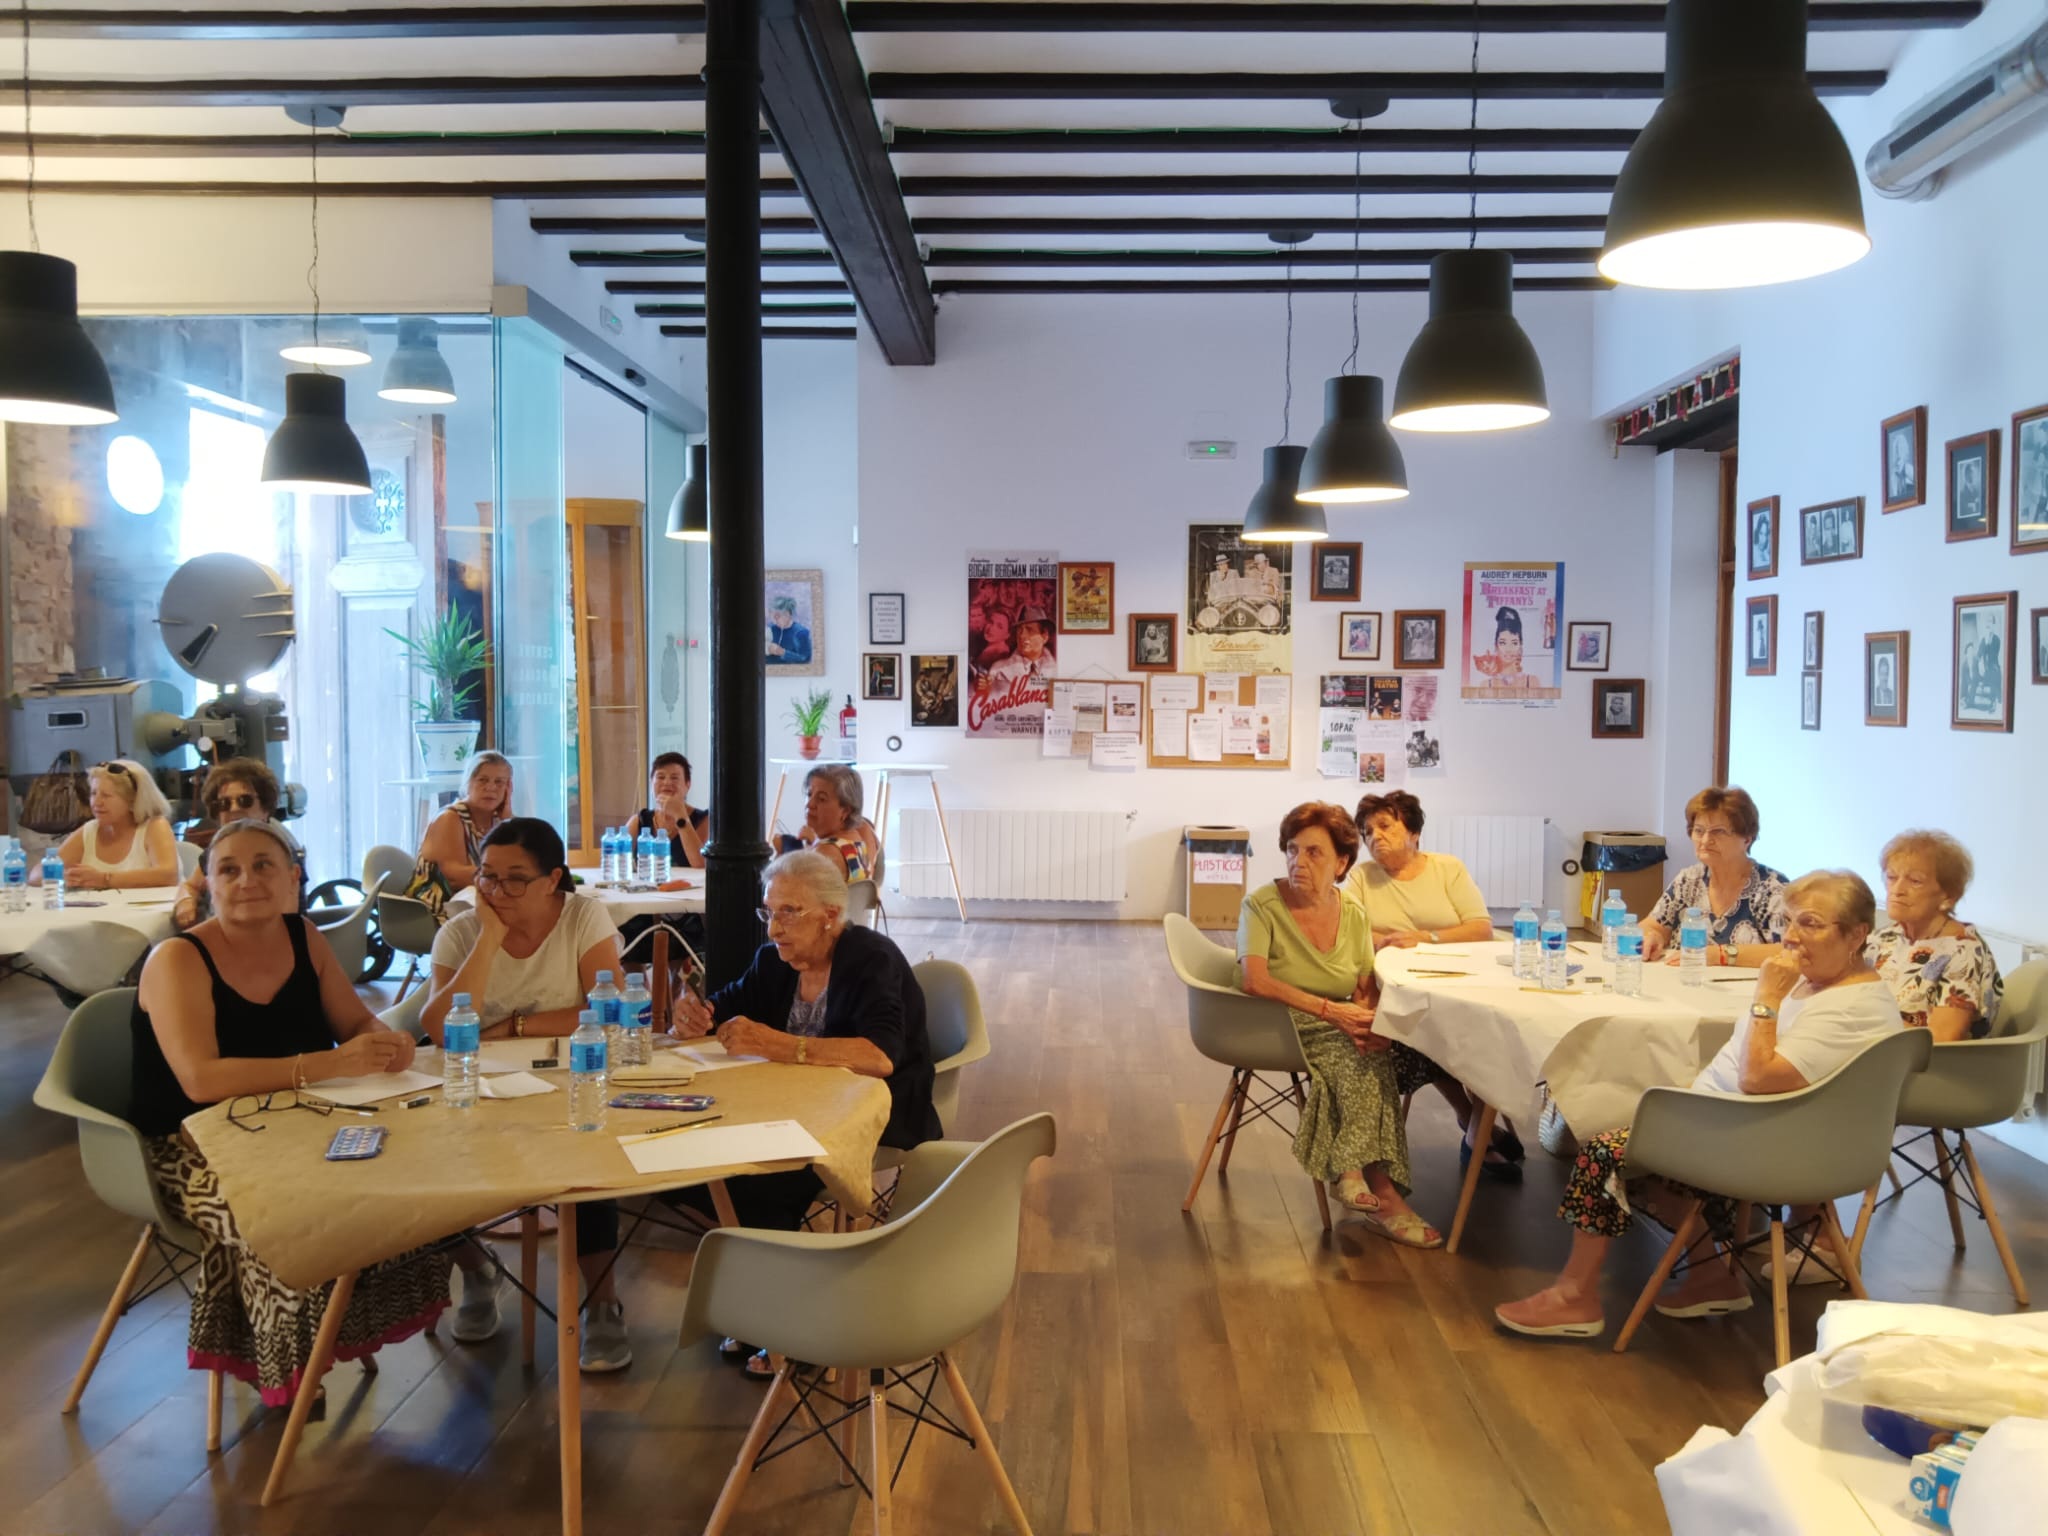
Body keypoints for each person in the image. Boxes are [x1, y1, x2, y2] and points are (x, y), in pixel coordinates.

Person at [1495, 871, 1900, 1339]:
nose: (1791, 937)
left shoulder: (1851, 1008)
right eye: (1788, 922)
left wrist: (1766, 998)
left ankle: (1575, 1296)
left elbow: (1757, 1078)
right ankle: (1710, 1277)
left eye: (1810, 923)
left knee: (1605, 1151)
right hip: (1744, 1123)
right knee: (1633, 1126)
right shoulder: (1822, 984)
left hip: (1769, 1144)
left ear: (1857, 934)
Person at [130, 820, 448, 1405]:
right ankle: (286, 1364)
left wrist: (382, 1041)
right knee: (278, 1214)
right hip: (187, 1146)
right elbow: (200, 1080)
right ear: (207, 882)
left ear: (293, 877)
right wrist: (327, 1065)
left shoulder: (303, 935)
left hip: (293, 1124)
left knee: (412, 1164)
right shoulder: (178, 958)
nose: (246, 880)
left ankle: (357, 1321)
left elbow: (353, 1022)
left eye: (263, 866)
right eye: (229, 869)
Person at [670, 849, 941, 1373]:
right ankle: (767, 1309)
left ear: (831, 916)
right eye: (769, 912)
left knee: (765, 1178)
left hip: (873, 1111)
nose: (775, 928)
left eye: (790, 913)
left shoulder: (870, 959)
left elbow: (880, 1055)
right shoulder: (775, 960)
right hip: (790, 1111)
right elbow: (724, 1006)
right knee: (704, 1168)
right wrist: (694, 1015)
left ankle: (797, 1325)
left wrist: (780, 1045)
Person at [422, 817, 631, 1371]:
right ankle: (477, 1269)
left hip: (570, 1076)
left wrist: (510, 1027)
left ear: (552, 879)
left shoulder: (582, 917)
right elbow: (440, 1027)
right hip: (480, 1085)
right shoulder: (461, 931)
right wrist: (489, 938)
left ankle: (602, 1302)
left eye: (515, 878)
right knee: (423, 1162)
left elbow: (606, 1008)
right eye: (487, 876)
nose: (497, 890)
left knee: (588, 1160)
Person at [1237, 802, 1440, 1247]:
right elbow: (1255, 980)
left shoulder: (1353, 913)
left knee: (1380, 1051)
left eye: (1313, 853)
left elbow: (1364, 984)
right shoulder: (1261, 905)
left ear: (1342, 863)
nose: (1298, 861)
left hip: (1335, 1021)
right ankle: (1376, 1190)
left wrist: (1369, 1022)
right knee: (1356, 1057)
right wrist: (1333, 1013)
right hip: (1276, 1022)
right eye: (1292, 850)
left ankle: (1359, 1179)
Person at [1345, 792, 1519, 1180]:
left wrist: (1425, 938)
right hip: (1397, 987)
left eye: (1385, 826)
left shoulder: (1447, 869)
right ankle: (1474, 1126)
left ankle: (1477, 1128)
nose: (1374, 837)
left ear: (1414, 832)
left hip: (1460, 978)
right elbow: (1348, 930)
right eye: (1367, 831)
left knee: (1484, 1035)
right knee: (1419, 1031)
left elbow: (1480, 928)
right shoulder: (1361, 877)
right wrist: (1386, 940)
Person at [1867, 830, 2002, 1042]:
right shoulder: (1884, 937)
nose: (1897, 889)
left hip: (1923, 1060)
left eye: (1915, 881)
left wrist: (1862, 1021)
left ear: (1948, 896)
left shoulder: (1963, 951)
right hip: (1871, 1048)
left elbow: (1943, 1038)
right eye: (1892, 877)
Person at [1642, 787, 1789, 968]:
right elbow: (1652, 925)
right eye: (1699, 831)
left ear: (1747, 839)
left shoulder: (1773, 889)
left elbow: (1789, 952)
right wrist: (1653, 936)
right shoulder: (1689, 880)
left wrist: (1720, 955)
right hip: (1685, 982)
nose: (1705, 840)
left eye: (1718, 832)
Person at [173, 758, 305, 931]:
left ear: (265, 808)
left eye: (245, 800)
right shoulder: (219, 849)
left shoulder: (281, 851)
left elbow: (280, 925)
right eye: (224, 803)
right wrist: (185, 902)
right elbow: (191, 886)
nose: (234, 809)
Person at [35, 758, 179, 890]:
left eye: (106, 796)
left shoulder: (155, 826)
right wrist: (67, 877)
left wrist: (104, 879)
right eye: (93, 793)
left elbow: (168, 876)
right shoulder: (90, 830)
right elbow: (36, 875)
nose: (96, 803)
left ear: (133, 800)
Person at [409, 749, 514, 912]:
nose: (490, 787)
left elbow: (520, 861)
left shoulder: (499, 820)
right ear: (468, 783)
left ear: (508, 788)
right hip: (436, 907)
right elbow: (454, 877)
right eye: (483, 780)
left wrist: (508, 821)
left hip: (476, 899)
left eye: (499, 782)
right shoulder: (450, 818)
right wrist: (504, 878)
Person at [791, 763, 879, 885]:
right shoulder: (857, 839)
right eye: (809, 794)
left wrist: (780, 854)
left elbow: (784, 893)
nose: (809, 804)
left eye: (821, 799)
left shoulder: (825, 853)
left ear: (845, 811)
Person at [623, 752, 708, 871]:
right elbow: (616, 860)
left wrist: (680, 815)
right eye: (661, 777)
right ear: (651, 783)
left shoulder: (703, 820)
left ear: (687, 785)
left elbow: (701, 864)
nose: (667, 783)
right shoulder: (639, 821)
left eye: (674, 778)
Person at [989, 608, 1054, 685]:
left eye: (1030, 630)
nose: (1022, 635)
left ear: (1045, 636)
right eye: (1020, 630)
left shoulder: (1056, 670)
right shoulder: (998, 670)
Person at [767, 593, 812, 665]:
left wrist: (783, 652)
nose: (774, 620)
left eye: (777, 616)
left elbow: (805, 659)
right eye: (772, 616)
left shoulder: (800, 632)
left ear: (788, 614)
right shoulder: (771, 629)